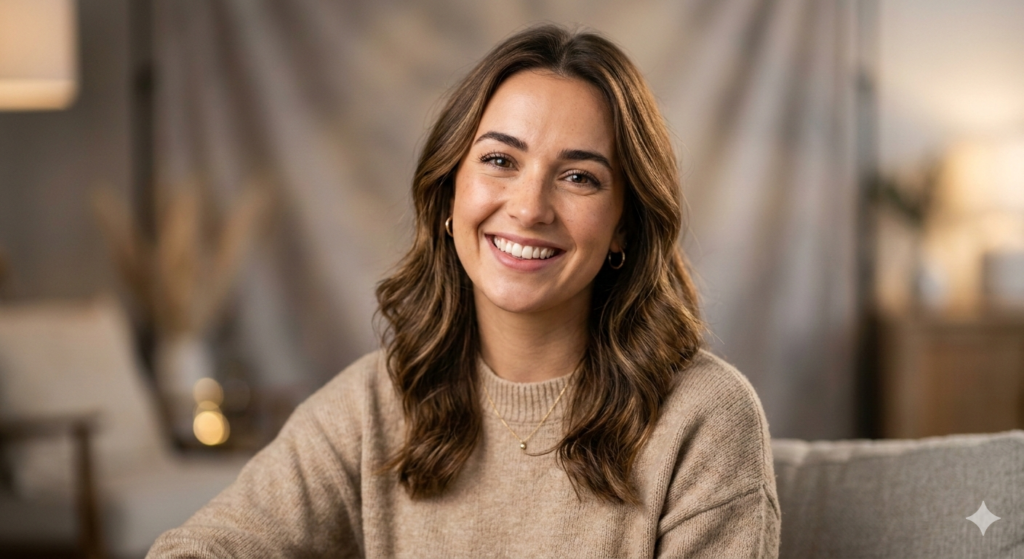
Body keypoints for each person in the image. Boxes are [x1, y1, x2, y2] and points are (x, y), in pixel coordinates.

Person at [148, 24, 779, 558]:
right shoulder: (375, 405)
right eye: (500, 161)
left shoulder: (705, 419)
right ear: (451, 193)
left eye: (580, 177)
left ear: (623, 228)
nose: (529, 208)